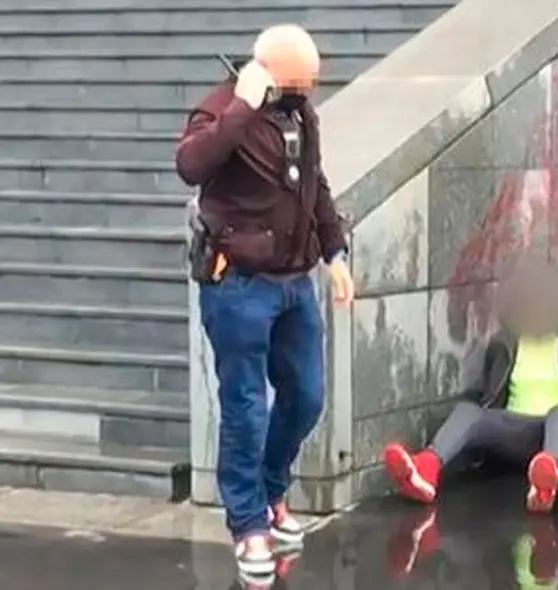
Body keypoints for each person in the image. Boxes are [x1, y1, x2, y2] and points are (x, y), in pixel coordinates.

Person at [175, 24, 355, 577]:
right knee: (246, 409)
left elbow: (315, 185)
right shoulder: (219, 108)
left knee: (306, 396)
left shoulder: (301, 115)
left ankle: (271, 490)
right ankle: (248, 525)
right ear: (268, 74)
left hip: (295, 281)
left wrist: (335, 253)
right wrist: (242, 109)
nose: (309, 91)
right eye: (300, 82)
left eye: (312, 83)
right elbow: (191, 166)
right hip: (239, 284)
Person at [382, 260, 558, 514]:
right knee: (469, 410)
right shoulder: (504, 343)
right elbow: (489, 393)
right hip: (517, 432)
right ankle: (425, 469)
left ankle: (547, 481)